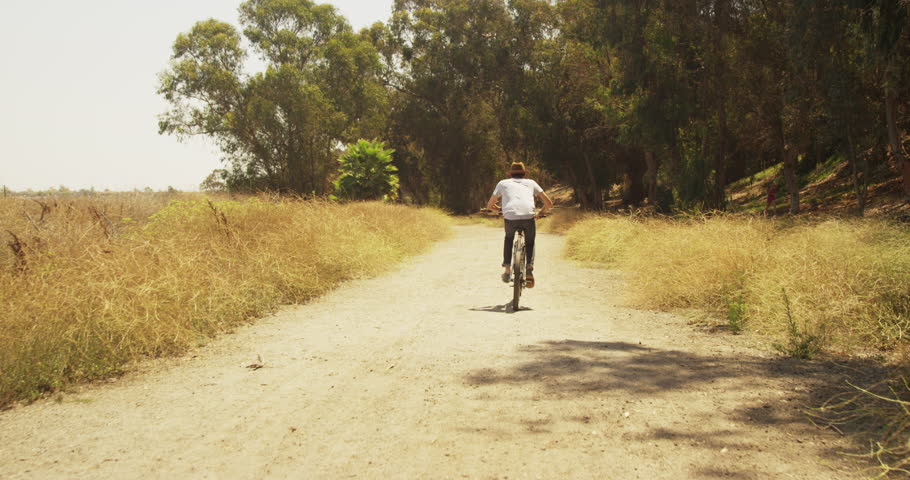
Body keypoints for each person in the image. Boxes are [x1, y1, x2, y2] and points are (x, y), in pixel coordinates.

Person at [485, 162, 553, 288]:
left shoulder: (503, 183)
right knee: (530, 242)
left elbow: (489, 206)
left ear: (510, 174)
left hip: (510, 218)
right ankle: (529, 268)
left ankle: (507, 270)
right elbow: (548, 203)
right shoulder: (531, 183)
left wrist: (499, 210)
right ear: (524, 173)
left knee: (509, 238)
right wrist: (540, 213)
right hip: (529, 216)